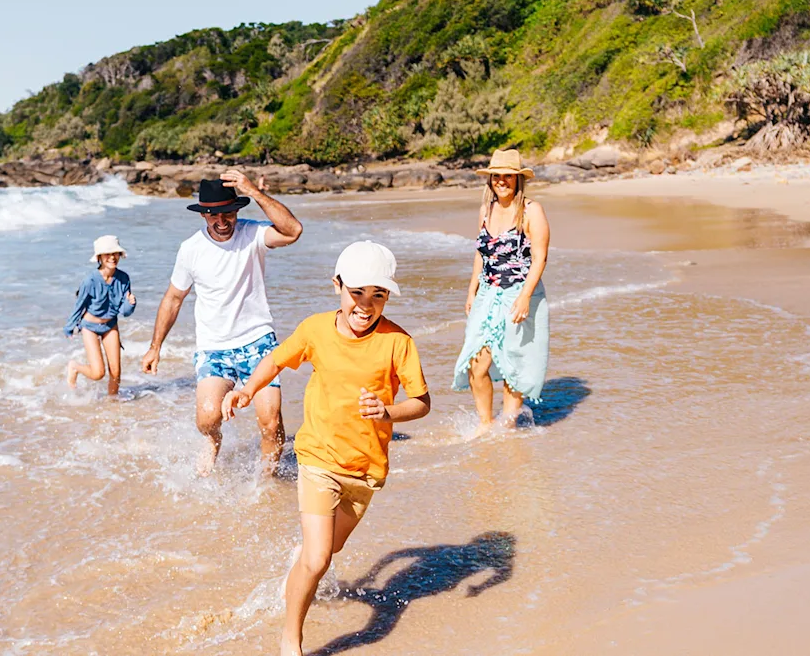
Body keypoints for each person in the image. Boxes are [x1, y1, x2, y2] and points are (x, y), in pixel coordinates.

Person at [222, 240, 430, 656]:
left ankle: (298, 566)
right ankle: (291, 639)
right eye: (357, 293)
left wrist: (388, 412)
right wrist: (248, 389)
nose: (366, 305)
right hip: (317, 459)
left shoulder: (398, 342)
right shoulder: (316, 329)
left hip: (366, 471)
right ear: (337, 285)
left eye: (378, 296)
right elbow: (277, 360)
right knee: (319, 561)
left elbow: (422, 402)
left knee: (327, 549)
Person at [141, 169, 303, 476]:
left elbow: (293, 230)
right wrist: (155, 347)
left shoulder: (252, 234)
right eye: (213, 215)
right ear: (203, 215)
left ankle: (266, 484)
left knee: (270, 422)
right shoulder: (191, 249)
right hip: (214, 347)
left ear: (237, 210)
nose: (221, 221)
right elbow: (174, 298)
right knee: (207, 418)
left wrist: (254, 192)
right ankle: (213, 441)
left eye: (228, 212)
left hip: (258, 341)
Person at [453, 148, 551, 435]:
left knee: (515, 361)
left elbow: (540, 258)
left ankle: (507, 425)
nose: (502, 181)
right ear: (491, 179)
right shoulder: (486, 210)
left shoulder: (532, 211)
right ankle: (486, 424)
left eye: (508, 176)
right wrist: (471, 291)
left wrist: (524, 297)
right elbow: (481, 254)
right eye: (497, 176)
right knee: (477, 364)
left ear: (518, 179)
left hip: (521, 294)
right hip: (487, 294)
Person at [64, 235, 137, 396]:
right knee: (98, 373)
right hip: (89, 327)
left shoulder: (123, 278)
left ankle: (112, 404)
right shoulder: (90, 280)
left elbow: (124, 312)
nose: (112, 257)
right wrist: (69, 327)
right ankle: (74, 366)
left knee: (116, 373)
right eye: (107, 254)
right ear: (99, 257)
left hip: (110, 325)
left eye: (115, 253)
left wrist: (131, 304)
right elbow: (79, 305)